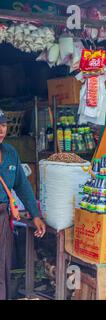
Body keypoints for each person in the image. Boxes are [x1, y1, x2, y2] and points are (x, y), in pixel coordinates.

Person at [0, 110, 46, 300]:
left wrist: (35, 214)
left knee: (3, 266)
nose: (0, 130)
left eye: (2, 125)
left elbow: (22, 185)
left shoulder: (10, 153)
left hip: (2, 218)